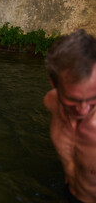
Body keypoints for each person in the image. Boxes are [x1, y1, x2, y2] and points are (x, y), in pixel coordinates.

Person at [44, 29, 96, 202]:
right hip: (70, 192)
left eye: (92, 99)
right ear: (54, 84)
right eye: (72, 100)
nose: (83, 110)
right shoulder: (51, 102)